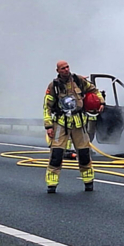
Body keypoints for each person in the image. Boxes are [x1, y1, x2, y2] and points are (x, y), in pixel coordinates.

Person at [43, 60, 102, 193]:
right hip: (61, 123)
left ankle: (88, 182)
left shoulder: (79, 80)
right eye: (63, 68)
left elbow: (94, 91)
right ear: (57, 71)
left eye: (67, 67)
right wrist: (48, 126)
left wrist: (100, 102)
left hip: (78, 122)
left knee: (84, 153)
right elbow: (47, 107)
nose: (66, 70)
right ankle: (51, 184)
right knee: (56, 154)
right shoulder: (54, 86)